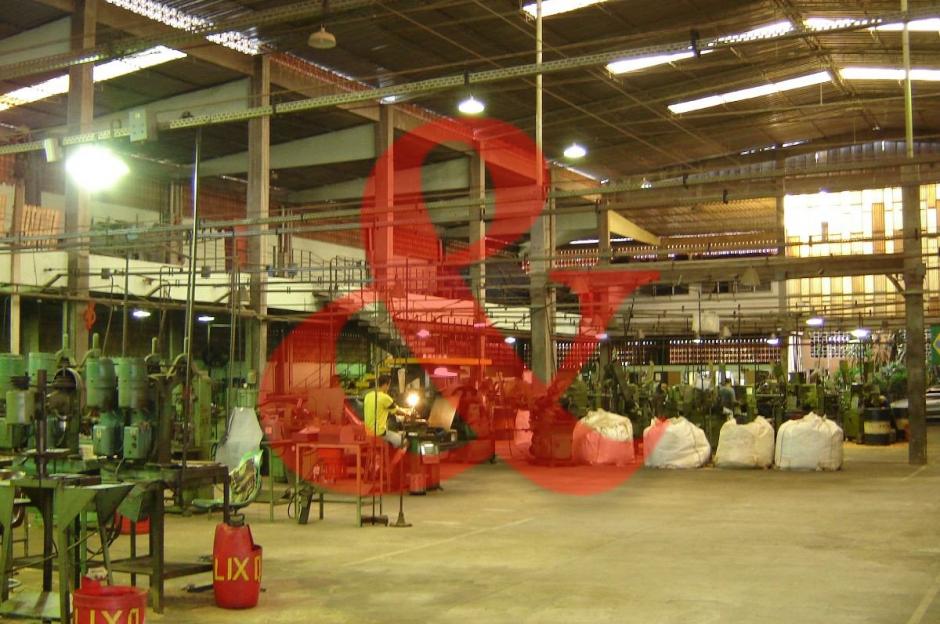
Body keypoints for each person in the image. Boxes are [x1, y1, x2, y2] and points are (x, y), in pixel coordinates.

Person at [363, 374, 412, 447]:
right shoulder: (385, 398)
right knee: (405, 442)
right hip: (379, 433)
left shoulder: (368, 396)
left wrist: (405, 410)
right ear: (386, 384)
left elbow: (389, 408)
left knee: (395, 434)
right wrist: (408, 413)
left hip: (368, 432)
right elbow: (397, 411)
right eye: (389, 385)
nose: (388, 388)